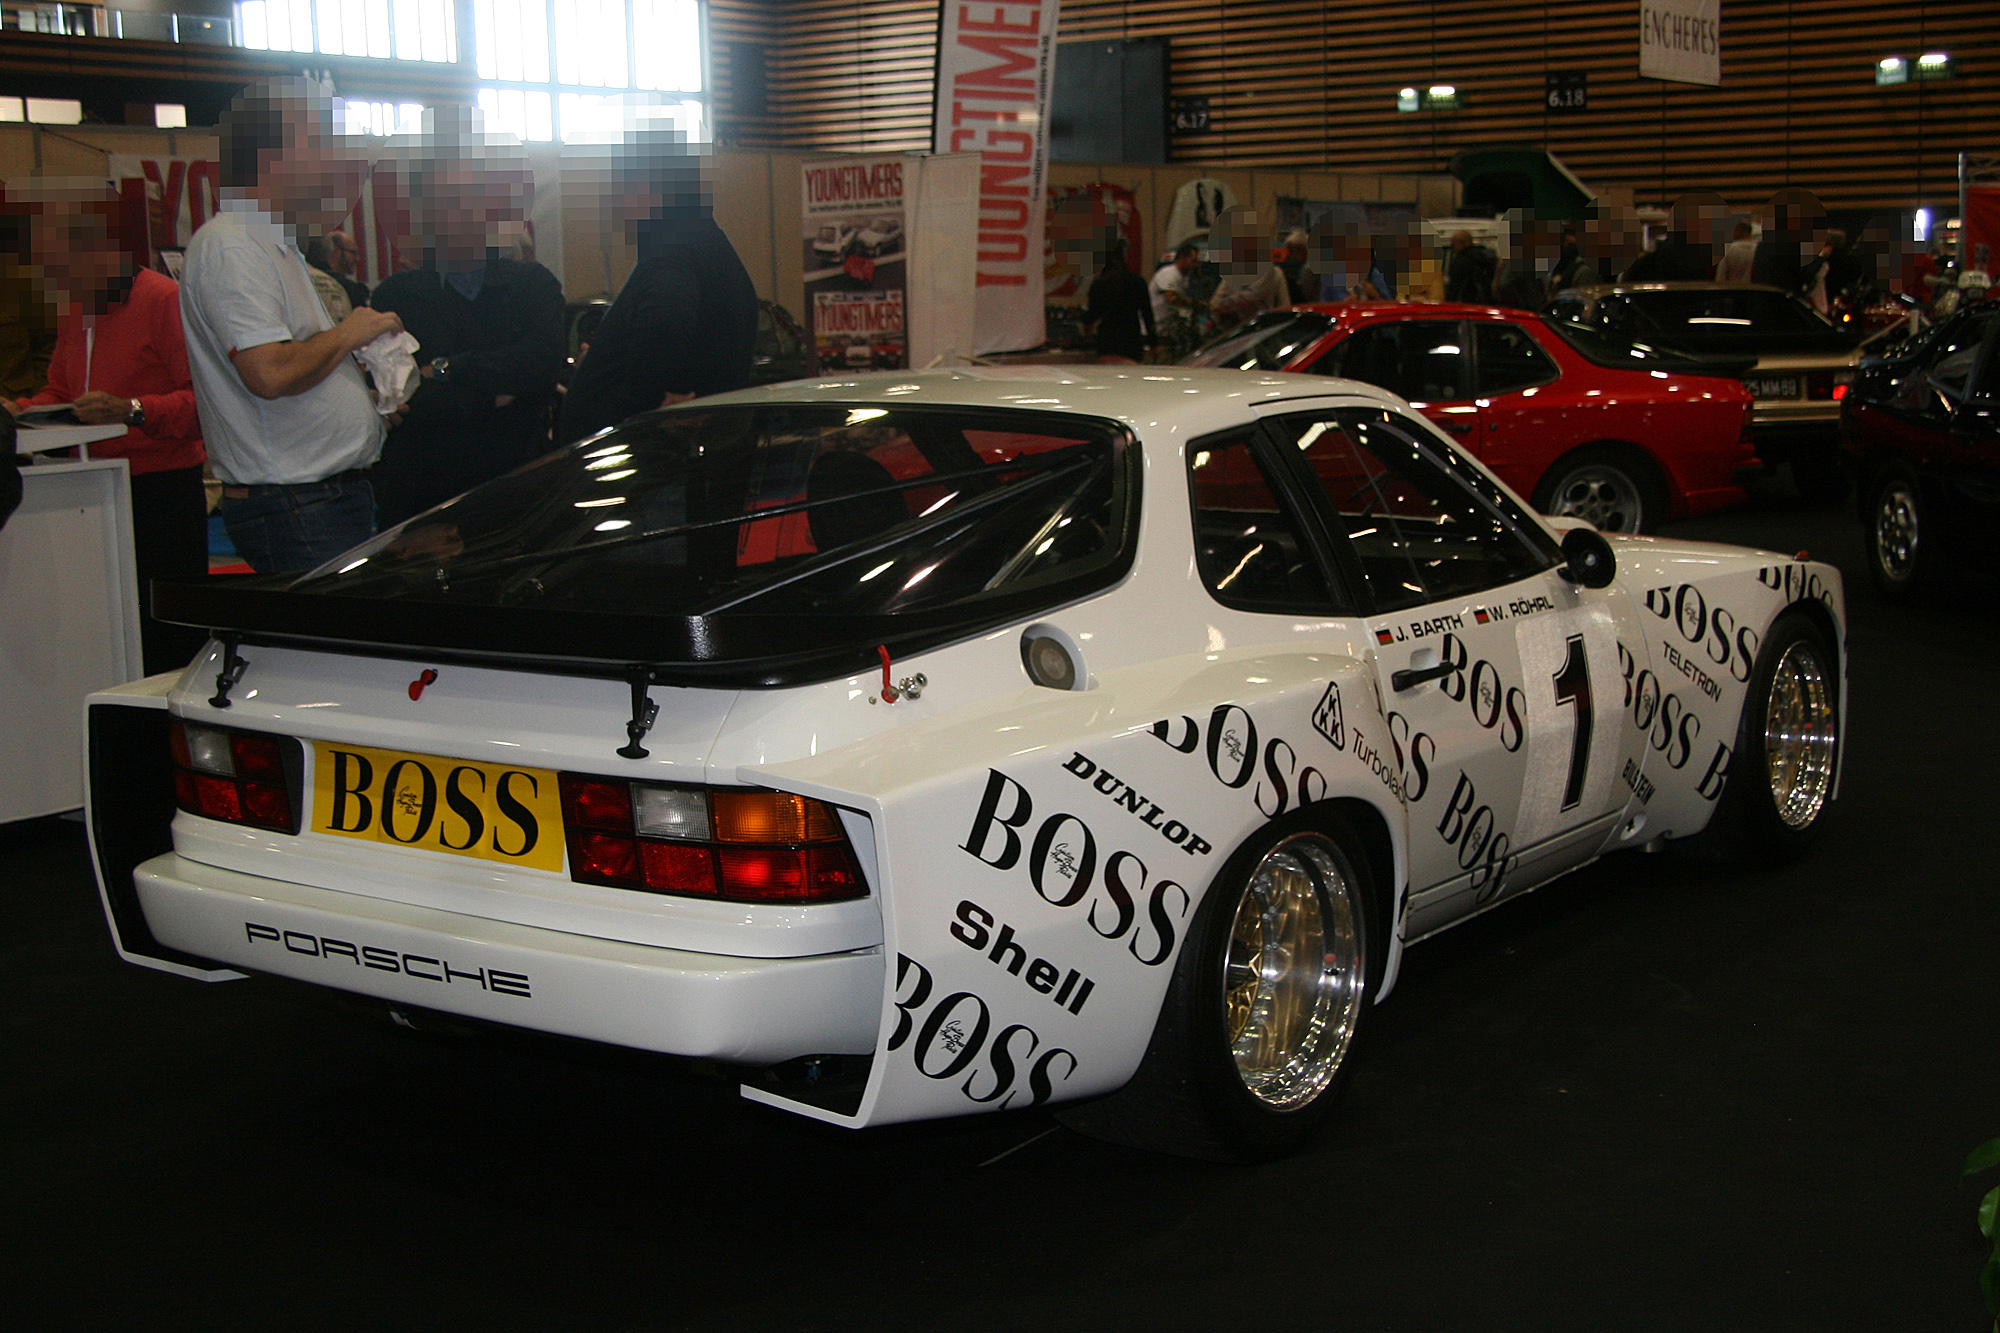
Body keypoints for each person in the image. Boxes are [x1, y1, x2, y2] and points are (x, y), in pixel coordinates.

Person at [178, 78, 405, 573]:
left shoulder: (275, 246)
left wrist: (367, 408)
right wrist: (351, 332)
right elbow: (270, 374)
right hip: (296, 503)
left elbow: (291, 363)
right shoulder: (235, 245)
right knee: (338, 645)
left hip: (315, 497)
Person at [10, 187, 207, 671]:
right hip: (92, 493)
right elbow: (61, 392)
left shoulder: (163, 299)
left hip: (159, 491)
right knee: (113, 636)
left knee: (165, 636)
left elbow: (206, 403)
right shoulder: (78, 308)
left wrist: (133, 409)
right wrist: (18, 412)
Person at [368, 111, 566, 528]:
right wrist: (493, 394)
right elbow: (404, 402)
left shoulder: (533, 284)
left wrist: (444, 368)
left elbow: (541, 366)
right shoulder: (394, 299)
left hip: (520, 493)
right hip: (425, 500)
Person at [557, 132, 758, 444]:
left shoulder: (675, 248)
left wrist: (639, 407)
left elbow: (666, 320)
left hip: (636, 457)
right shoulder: (708, 249)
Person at [1207, 208, 1288, 332]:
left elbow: (1251, 297)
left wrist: (1223, 305)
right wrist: (1218, 306)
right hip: (1237, 329)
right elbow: (1217, 299)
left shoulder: (1266, 268)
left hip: (1262, 329)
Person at [1083, 240, 1155, 363]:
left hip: (1107, 342)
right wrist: (1153, 343)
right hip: (1131, 342)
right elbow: (1147, 315)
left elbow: (1091, 315)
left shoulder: (1100, 284)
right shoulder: (1137, 282)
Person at [1149, 241, 1199, 325]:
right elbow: (1171, 298)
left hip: (1172, 326)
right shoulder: (1168, 273)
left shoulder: (1185, 278)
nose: (1195, 265)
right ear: (1182, 258)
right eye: (1193, 261)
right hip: (1158, 326)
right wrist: (1194, 303)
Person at [1444, 230, 1497, 303]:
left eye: (1453, 244)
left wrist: (1449, 300)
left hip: (1466, 301)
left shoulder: (1463, 260)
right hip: (1486, 301)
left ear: (1462, 243)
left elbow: (1456, 284)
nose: (1453, 248)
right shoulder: (1485, 257)